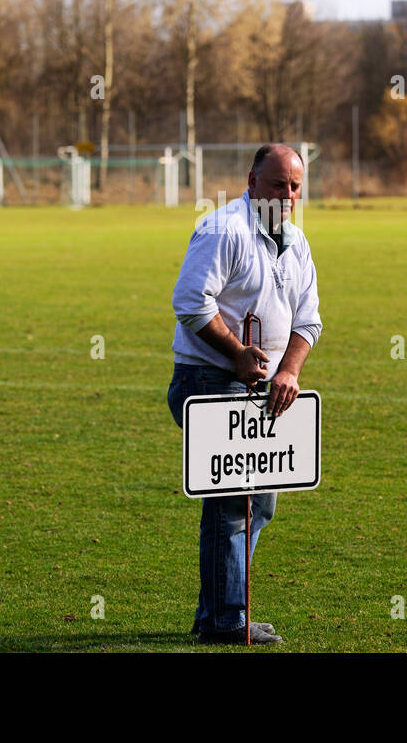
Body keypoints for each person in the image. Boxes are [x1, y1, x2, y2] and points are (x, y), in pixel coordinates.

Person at [167, 144, 322, 645]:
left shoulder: (296, 243)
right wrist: (235, 352)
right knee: (235, 502)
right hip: (208, 378)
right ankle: (229, 620)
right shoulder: (222, 229)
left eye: (296, 186)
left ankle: (214, 615)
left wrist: (290, 371)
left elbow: (309, 321)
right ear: (252, 180)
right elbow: (191, 302)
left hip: (265, 391)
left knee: (261, 504)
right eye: (279, 184)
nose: (289, 194)